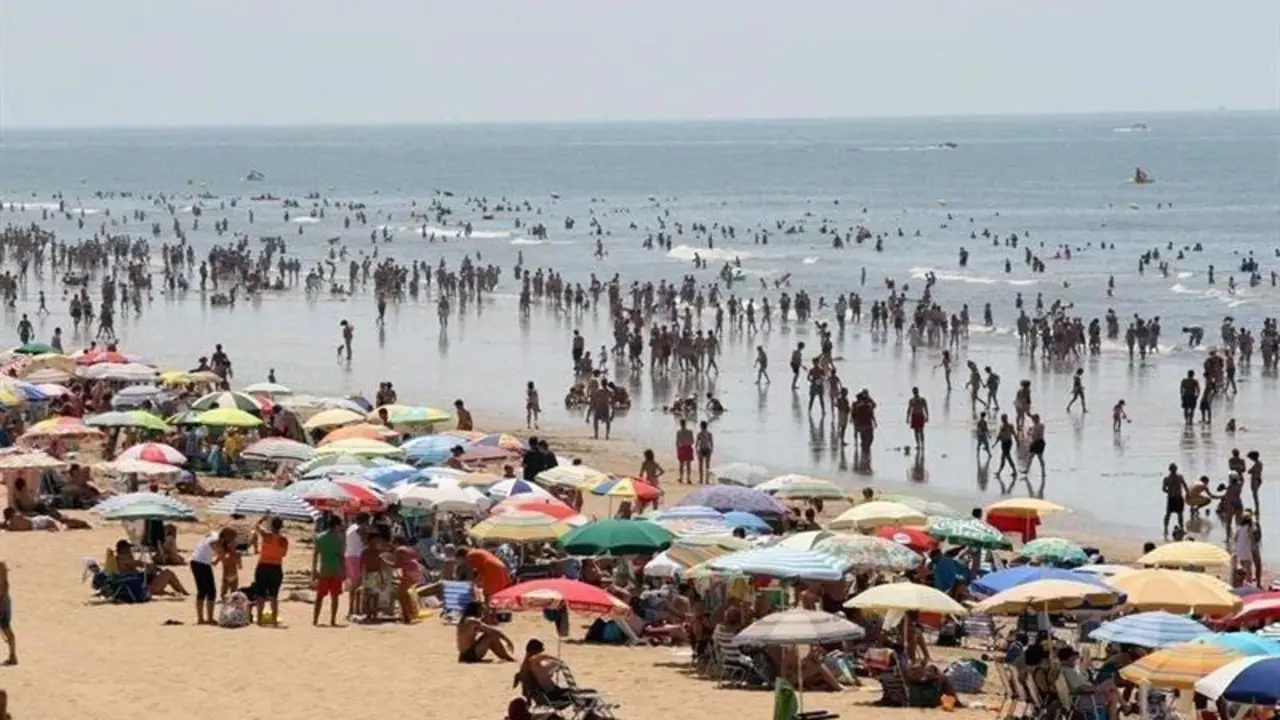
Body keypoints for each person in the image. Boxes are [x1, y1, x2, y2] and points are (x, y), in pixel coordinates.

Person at [191, 528, 233, 624]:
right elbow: (221, 554)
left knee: (204, 591)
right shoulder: (216, 541)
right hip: (201, 563)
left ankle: (203, 618)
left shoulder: (215, 536)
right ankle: (206, 618)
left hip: (198, 561)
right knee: (209, 591)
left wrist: (216, 560)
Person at [254, 515, 288, 626]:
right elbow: (283, 554)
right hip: (276, 567)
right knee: (274, 595)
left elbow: (256, 526)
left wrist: (262, 519)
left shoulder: (266, 535)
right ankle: (274, 620)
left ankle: (259, 619)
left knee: (261, 594)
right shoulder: (283, 540)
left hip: (263, 565)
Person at [312, 518, 346, 626]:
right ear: (335, 526)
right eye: (339, 525)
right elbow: (341, 556)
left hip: (324, 569)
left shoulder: (320, 537)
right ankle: (332, 620)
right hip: (335, 569)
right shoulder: (338, 538)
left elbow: (315, 554)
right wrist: (344, 570)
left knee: (320, 596)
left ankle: (315, 619)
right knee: (335, 596)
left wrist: (314, 570)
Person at [345, 514, 368, 618]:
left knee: (353, 584)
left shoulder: (350, 528)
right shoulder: (359, 529)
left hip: (349, 555)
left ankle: (352, 609)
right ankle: (355, 609)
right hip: (357, 556)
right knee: (357, 585)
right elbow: (365, 541)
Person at [1162, 464, 1188, 538]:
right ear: (1171, 469)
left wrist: (1187, 493)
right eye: (1173, 469)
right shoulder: (1167, 478)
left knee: (1179, 514)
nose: (1174, 470)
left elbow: (1185, 485)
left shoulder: (1179, 477)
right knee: (1169, 514)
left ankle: (1181, 528)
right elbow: (1163, 489)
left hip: (1177, 497)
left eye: (1174, 469)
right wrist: (1170, 491)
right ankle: (1166, 528)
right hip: (1173, 498)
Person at [905, 386, 929, 451]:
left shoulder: (922, 400)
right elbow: (909, 409)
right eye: (914, 391)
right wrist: (907, 417)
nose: (915, 392)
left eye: (915, 391)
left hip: (919, 415)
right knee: (916, 431)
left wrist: (927, 416)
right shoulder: (912, 400)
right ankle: (919, 444)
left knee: (920, 431)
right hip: (915, 416)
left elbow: (925, 408)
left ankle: (922, 444)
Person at [0, 561, 14, 666]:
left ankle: (12, 656)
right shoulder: (2, 565)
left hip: (1, 601)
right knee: (6, 628)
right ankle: (12, 656)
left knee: (6, 628)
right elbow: (6, 584)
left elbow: (5, 584)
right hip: (5, 600)